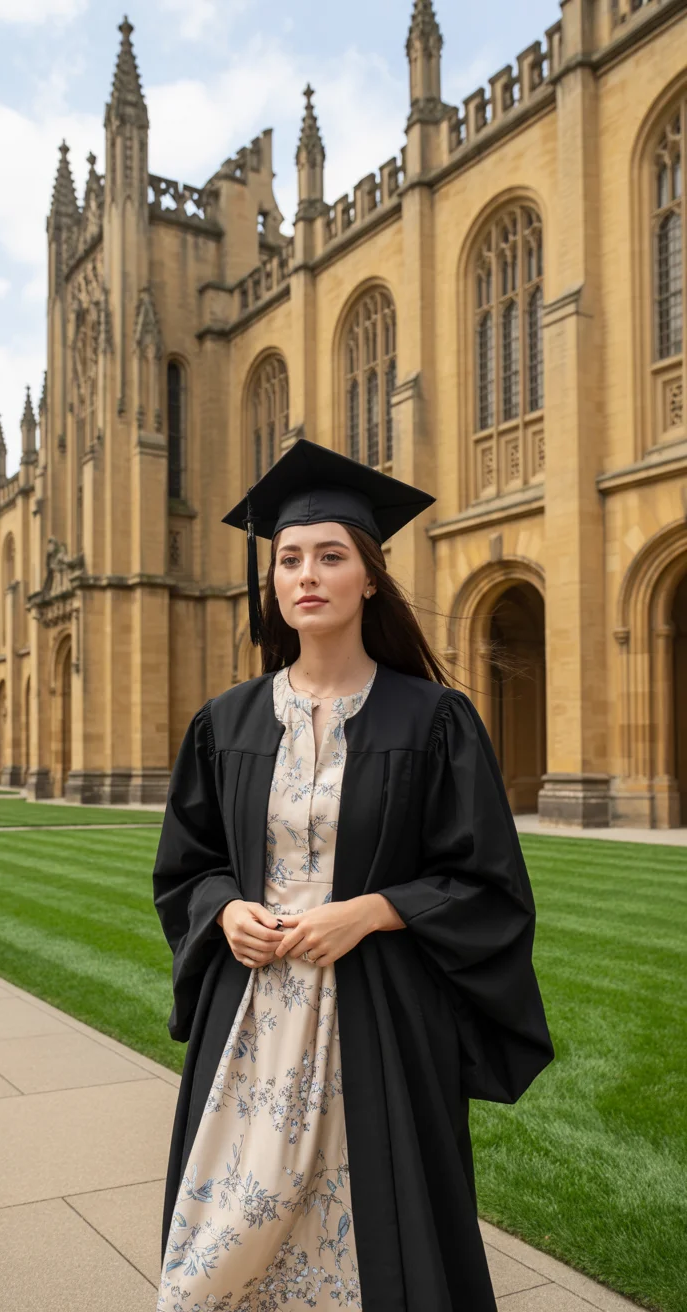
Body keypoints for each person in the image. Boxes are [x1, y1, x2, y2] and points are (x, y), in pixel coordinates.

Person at [153, 438, 554, 1312]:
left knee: (377, 1229)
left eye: (331, 556)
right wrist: (224, 911)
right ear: (273, 584)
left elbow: (488, 883)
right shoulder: (226, 723)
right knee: (222, 1244)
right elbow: (189, 866)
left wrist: (371, 910)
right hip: (252, 1013)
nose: (307, 575)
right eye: (289, 560)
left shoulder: (435, 719)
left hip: (377, 1015)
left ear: (369, 576)